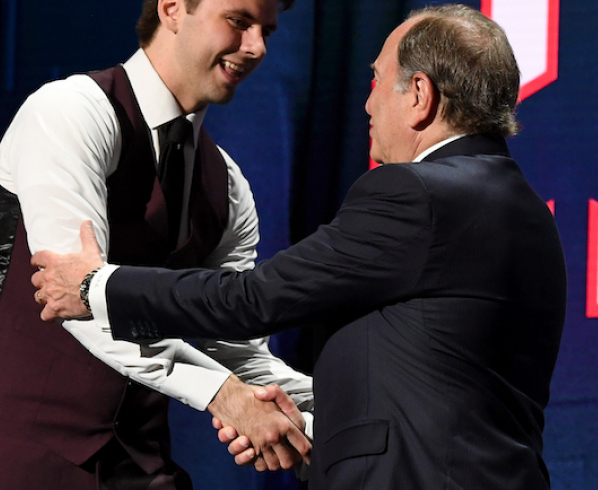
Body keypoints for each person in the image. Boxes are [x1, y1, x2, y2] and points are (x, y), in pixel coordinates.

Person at [33, 4, 567, 489]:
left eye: (377, 81)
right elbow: (430, 385)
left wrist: (95, 285)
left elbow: (252, 301)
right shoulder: (526, 212)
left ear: (420, 96)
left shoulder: (417, 193)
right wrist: (306, 427)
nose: (366, 103)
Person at [0, 0, 315, 488]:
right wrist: (224, 395)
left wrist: (333, 422)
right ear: (173, 8)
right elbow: (75, 299)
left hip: (139, 466)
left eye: (267, 31)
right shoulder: (70, 111)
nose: (256, 47)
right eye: (238, 21)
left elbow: (236, 347)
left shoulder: (228, 184)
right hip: (15, 457)